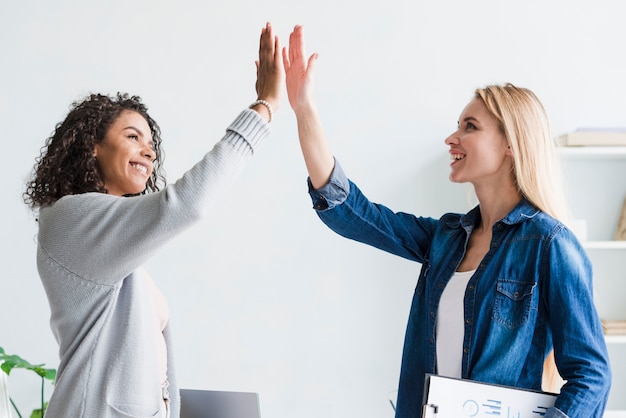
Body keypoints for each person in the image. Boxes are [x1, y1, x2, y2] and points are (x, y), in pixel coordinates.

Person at [282, 25, 611, 418]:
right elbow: (353, 213)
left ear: (511, 144)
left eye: (469, 127)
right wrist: (304, 110)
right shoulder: (445, 238)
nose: (451, 138)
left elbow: (592, 374)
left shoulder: (549, 244)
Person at [22, 22, 283, 418]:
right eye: (132, 137)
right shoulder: (70, 219)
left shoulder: (116, 247)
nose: (148, 152)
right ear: (93, 146)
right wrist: (263, 109)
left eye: (150, 143)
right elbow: (184, 205)